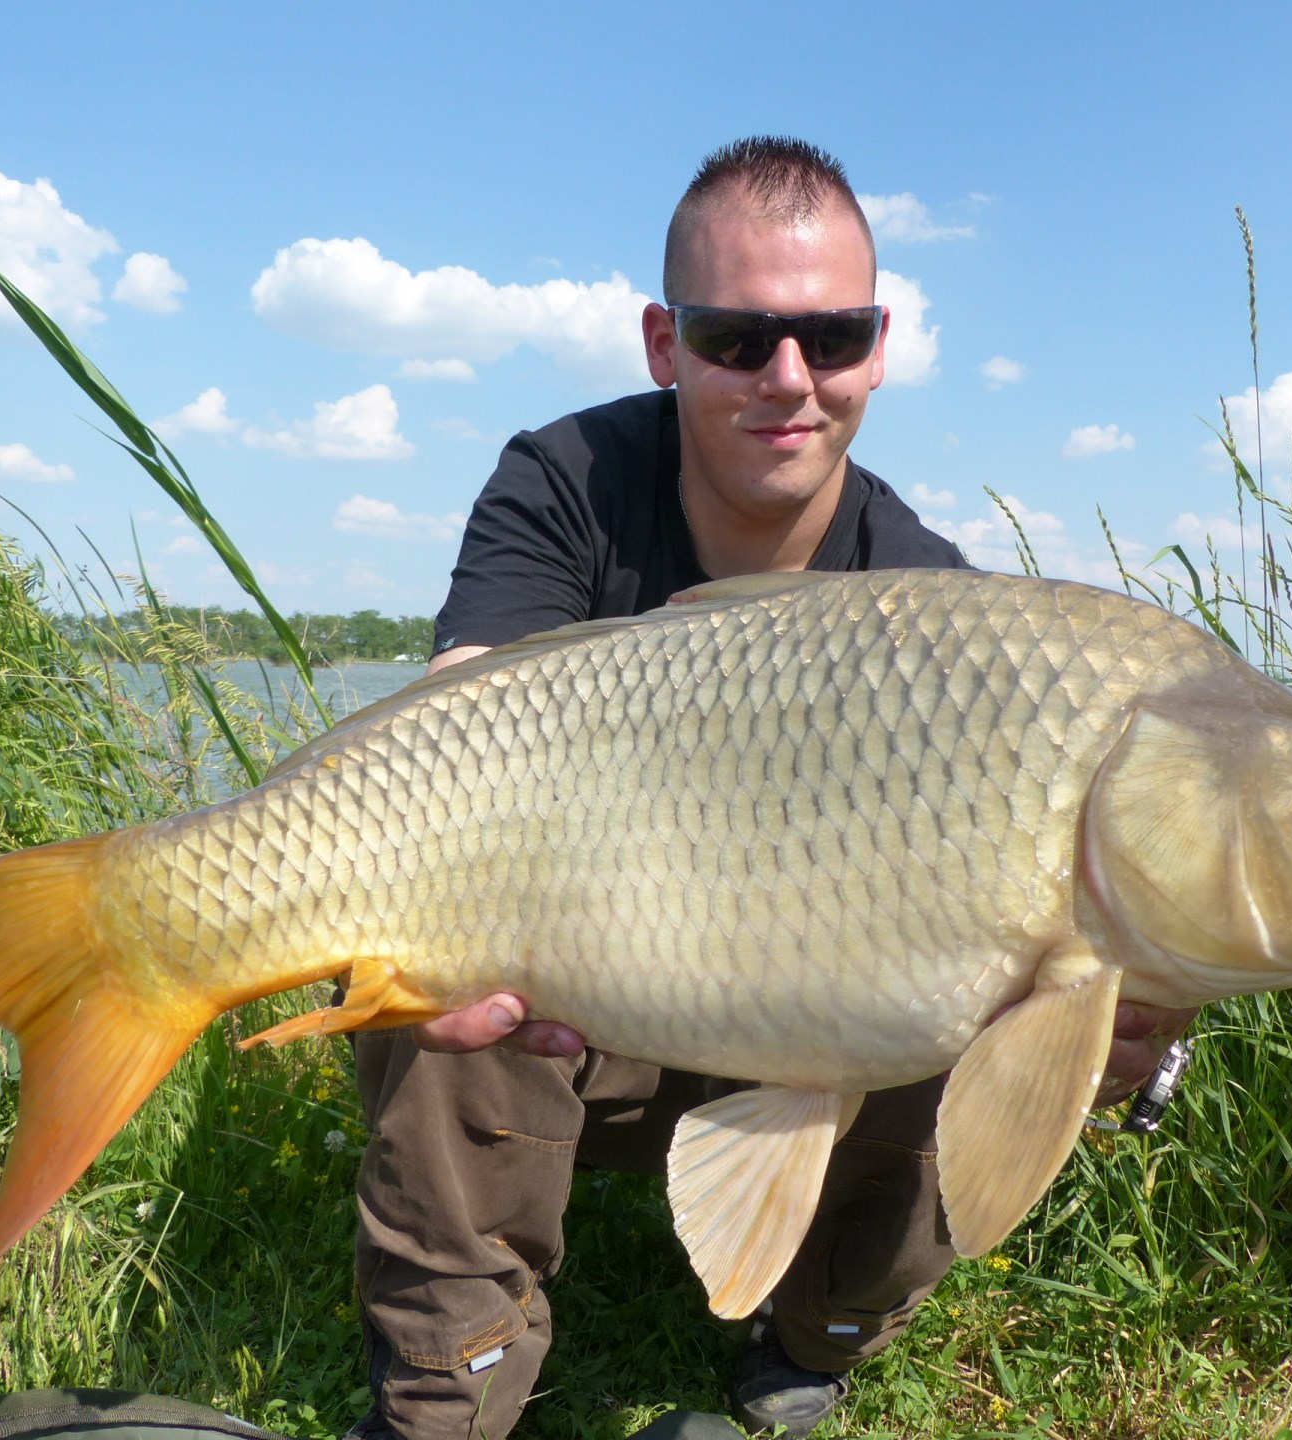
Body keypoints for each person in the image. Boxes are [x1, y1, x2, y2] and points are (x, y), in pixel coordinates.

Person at [345, 136, 1195, 1440]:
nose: (790, 379)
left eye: (833, 335)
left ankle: (813, 1338)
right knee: (437, 951)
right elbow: (460, 708)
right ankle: (447, 1397)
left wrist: (1121, 1019)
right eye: (739, 338)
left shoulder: (936, 601)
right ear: (663, 341)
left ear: (879, 343)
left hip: (826, 1024)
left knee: (978, 1002)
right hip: (589, 1008)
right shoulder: (564, 480)